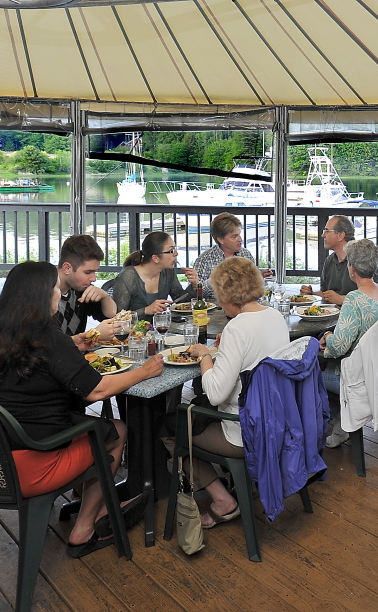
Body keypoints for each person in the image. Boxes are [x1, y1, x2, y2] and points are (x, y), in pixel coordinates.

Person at [0, 261, 163, 558]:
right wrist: (146, 371)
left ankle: (100, 502)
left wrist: (75, 343)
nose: (58, 294)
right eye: (54, 289)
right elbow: (97, 390)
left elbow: (38, 360)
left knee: (87, 422)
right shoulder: (48, 337)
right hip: (33, 459)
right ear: (39, 296)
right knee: (116, 431)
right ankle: (85, 527)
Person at [168, 256, 290, 528]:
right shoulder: (274, 315)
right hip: (276, 420)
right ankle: (237, 482)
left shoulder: (237, 327)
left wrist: (203, 356)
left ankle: (223, 500)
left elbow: (215, 394)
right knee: (196, 414)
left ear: (226, 293)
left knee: (169, 428)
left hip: (243, 430)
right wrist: (225, 350)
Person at [318, 239, 378, 446]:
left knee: (310, 374)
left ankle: (338, 424)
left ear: (351, 268)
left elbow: (338, 347)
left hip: (360, 377)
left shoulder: (354, 299)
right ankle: (341, 421)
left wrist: (327, 337)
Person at [113, 232, 197, 320]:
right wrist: (146, 310)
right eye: (171, 251)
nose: (176, 254)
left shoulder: (168, 272)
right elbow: (117, 318)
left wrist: (194, 285)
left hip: (160, 328)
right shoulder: (127, 277)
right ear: (155, 258)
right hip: (134, 332)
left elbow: (180, 301)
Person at [193, 212, 272, 301]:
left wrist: (258, 276)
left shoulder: (245, 254)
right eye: (234, 237)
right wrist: (219, 278)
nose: (240, 240)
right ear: (221, 240)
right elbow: (198, 293)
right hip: (216, 308)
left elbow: (253, 288)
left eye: (239, 234)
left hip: (245, 305)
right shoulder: (205, 260)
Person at [54, 234, 117, 346]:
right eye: (88, 272)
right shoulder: (43, 293)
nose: (93, 278)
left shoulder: (81, 289)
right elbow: (47, 345)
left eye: (95, 272)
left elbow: (111, 317)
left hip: (77, 358)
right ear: (67, 268)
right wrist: (92, 335)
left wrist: (104, 297)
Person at [300, 215, 358, 306]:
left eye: (326, 231)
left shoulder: (361, 258)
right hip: (331, 315)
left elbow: (371, 298)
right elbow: (325, 294)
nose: (322, 235)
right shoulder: (329, 260)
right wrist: (312, 294)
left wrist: (342, 300)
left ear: (340, 235)